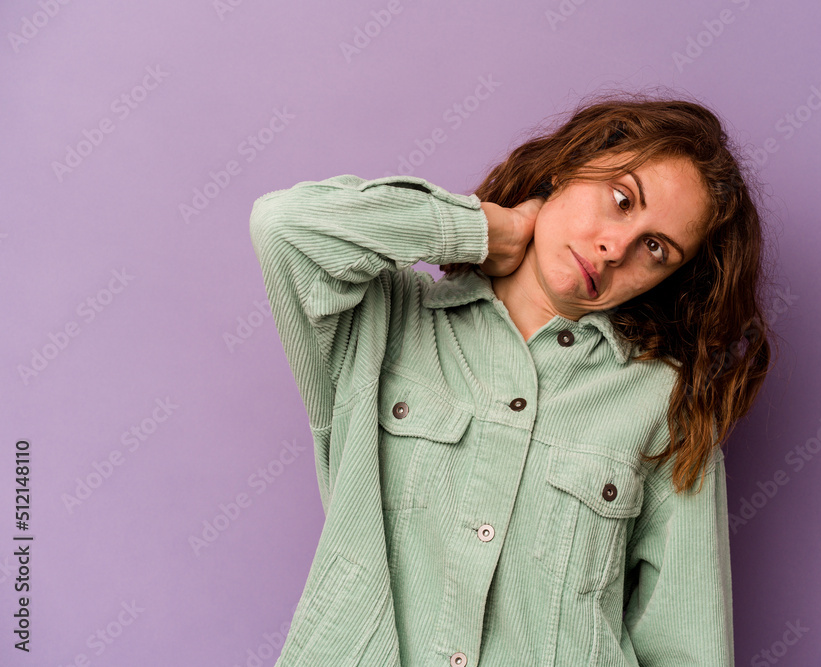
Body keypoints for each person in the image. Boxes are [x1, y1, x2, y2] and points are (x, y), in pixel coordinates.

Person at [248, 89, 774, 667]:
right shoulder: (384, 324)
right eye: (622, 199)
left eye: (656, 248)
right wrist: (475, 230)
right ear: (569, 166)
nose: (615, 246)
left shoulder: (662, 403)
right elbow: (285, 227)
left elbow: (688, 648)